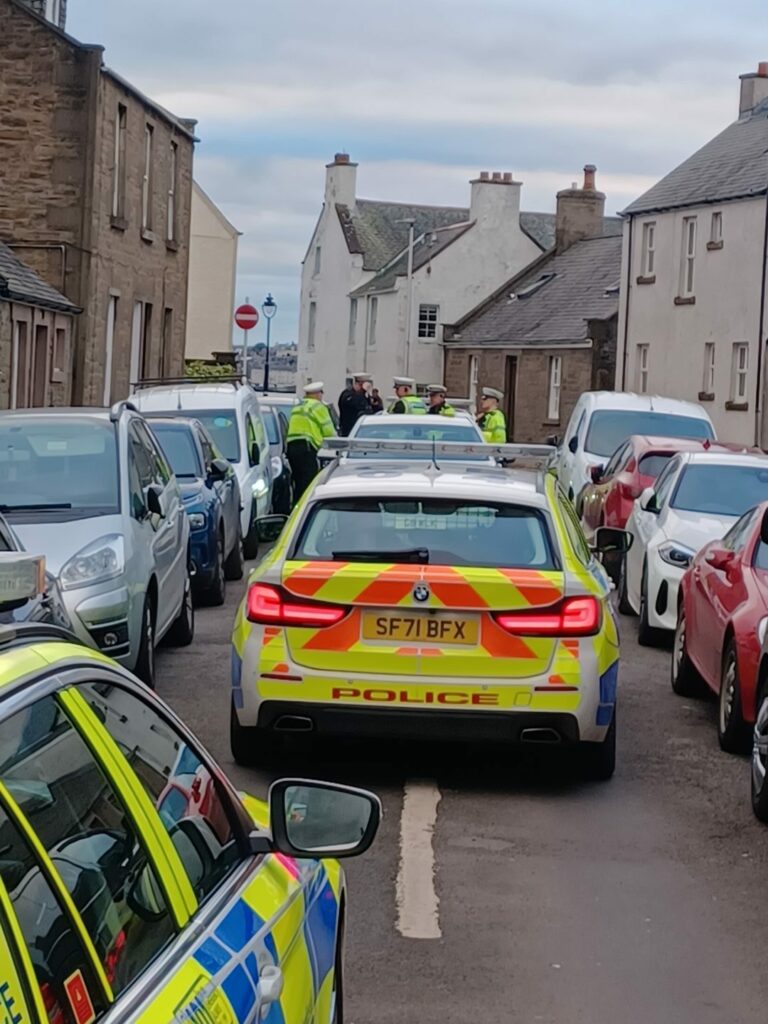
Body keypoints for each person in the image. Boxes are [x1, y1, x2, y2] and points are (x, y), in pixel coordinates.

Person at [286, 382, 335, 501]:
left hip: (292, 447)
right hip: (307, 448)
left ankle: (296, 507)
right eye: (321, 393)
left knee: (297, 482)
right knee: (308, 483)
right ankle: (306, 505)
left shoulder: (298, 406)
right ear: (317, 394)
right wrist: (336, 443)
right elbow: (329, 431)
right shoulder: (318, 407)